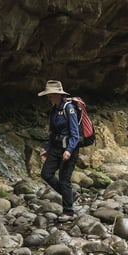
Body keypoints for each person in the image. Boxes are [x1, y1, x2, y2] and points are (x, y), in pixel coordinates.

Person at [38, 80, 81, 220]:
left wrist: (69, 150)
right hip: (56, 147)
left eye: (50, 95)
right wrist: (47, 149)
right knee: (46, 173)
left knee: (64, 179)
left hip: (69, 148)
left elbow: (75, 133)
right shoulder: (54, 110)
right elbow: (52, 132)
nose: (48, 98)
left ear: (57, 94)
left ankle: (68, 212)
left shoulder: (69, 108)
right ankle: (70, 195)